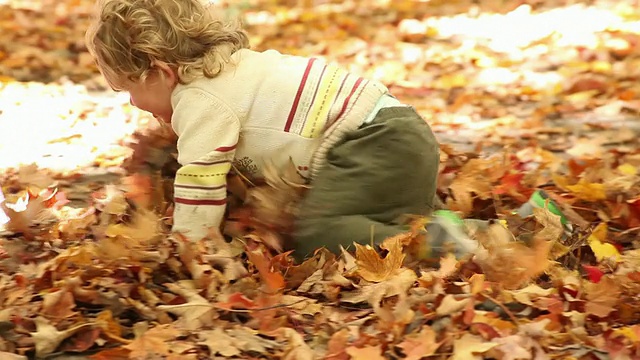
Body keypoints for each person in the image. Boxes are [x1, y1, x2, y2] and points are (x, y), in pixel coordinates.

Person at [85, 0, 461, 261]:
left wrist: (191, 245)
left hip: (373, 141)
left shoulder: (199, 97)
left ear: (160, 72)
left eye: (130, 89)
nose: (134, 103)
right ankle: (472, 235)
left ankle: (426, 242)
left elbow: (200, 180)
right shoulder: (229, 68)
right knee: (386, 215)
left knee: (316, 233)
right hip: (400, 132)